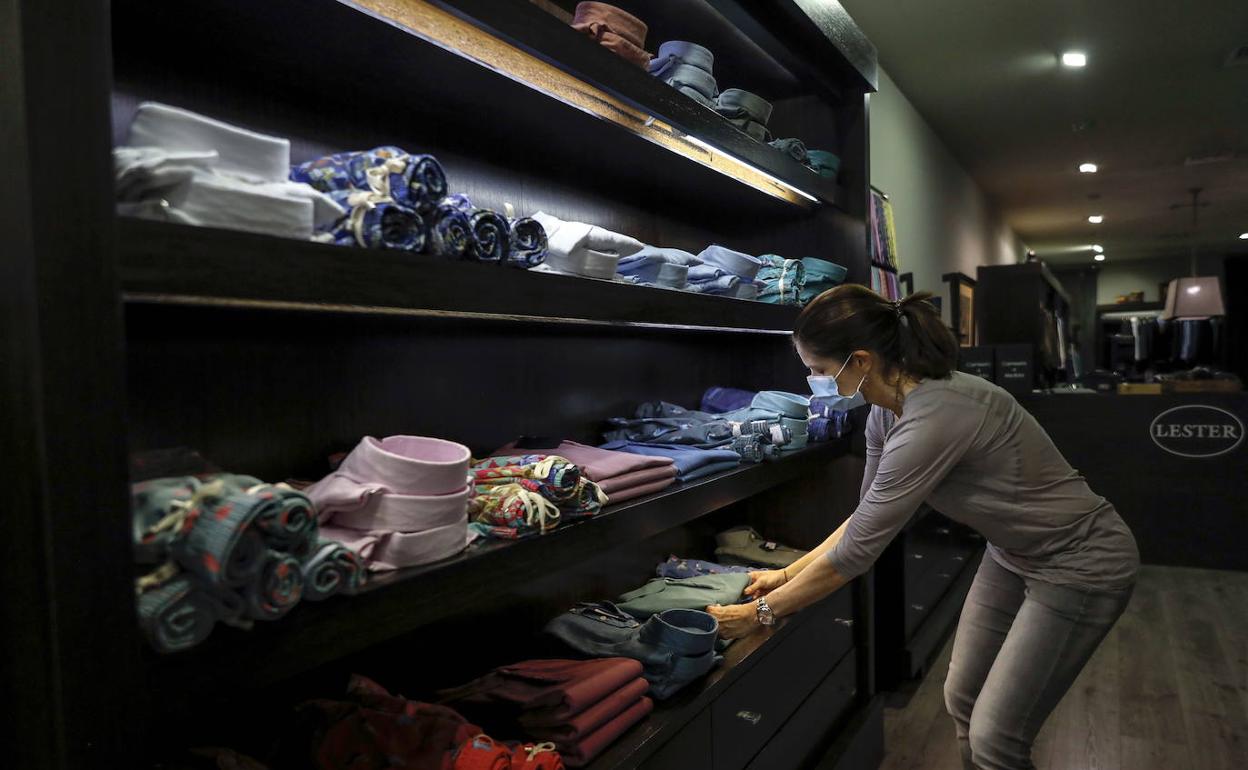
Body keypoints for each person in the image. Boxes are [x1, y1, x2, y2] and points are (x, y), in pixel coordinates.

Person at [705, 285, 1138, 770]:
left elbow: (857, 553)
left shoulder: (935, 415)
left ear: (860, 361)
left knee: (996, 739)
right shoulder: (884, 414)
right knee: (963, 698)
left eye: (820, 370)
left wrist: (761, 612)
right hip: (1012, 553)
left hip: (1080, 560)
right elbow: (864, 517)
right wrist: (786, 575)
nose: (814, 382)